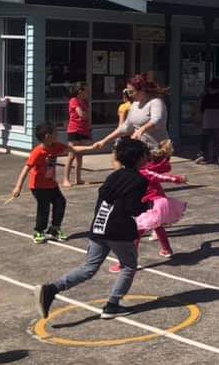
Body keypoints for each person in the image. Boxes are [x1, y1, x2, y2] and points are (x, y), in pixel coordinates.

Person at [35, 137, 151, 321]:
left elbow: (102, 197)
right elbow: (131, 208)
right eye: (146, 154)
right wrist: (147, 205)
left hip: (99, 226)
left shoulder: (113, 176)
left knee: (89, 267)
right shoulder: (139, 180)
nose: (148, 157)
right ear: (138, 158)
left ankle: (52, 289)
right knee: (129, 265)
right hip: (118, 230)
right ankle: (112, 305)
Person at [10, 122, 96, 243]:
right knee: (44, 207)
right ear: (47, 136)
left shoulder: (56, 146)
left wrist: (92, 148)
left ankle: (54, 229)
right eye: (55, 133)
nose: (58, 135)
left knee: (60, 203)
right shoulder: (38, 152)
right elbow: (26, 168)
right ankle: (39, 231)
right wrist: (18, 187)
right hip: (38, 186)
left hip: (51, 184)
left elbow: (72, 148)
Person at [132, 140, 187, 259]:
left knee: (138, 230)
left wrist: (178, 179)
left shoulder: (144, 171)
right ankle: (166, 249)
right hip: (156, 202)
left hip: (154, 203)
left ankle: (129, 260)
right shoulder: (149, 168)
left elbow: (162, 177)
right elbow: (162, 171)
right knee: (157, 226)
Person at [98, 74, 170, 151]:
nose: (129, 95)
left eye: (131, 92)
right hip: (141, 152)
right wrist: (104, 141)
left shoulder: (156, 102)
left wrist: (142, 129)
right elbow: (125, 128)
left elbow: (156, 120)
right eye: (128, 92)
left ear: (142, 90)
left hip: (157, 151)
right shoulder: (134, 105)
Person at [64, 82, 91, 187]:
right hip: (74, 130)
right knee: (71, 155)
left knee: (80, 155)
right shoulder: (74, 100)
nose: (87, 93)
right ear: (80, 91)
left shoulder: (84, 102)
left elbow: (86, 116)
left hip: (83, 130)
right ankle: (66, 179)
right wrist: (83, 116)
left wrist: (88, 126)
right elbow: (81, 114)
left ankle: (78, 179)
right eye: (85, 91)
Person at [196, 78, 219, 165]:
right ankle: (215, 157)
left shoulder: (206, 96)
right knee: (216, 140)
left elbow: (202, 108)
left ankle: (205, 156)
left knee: (205, 139)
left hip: (208, 119)